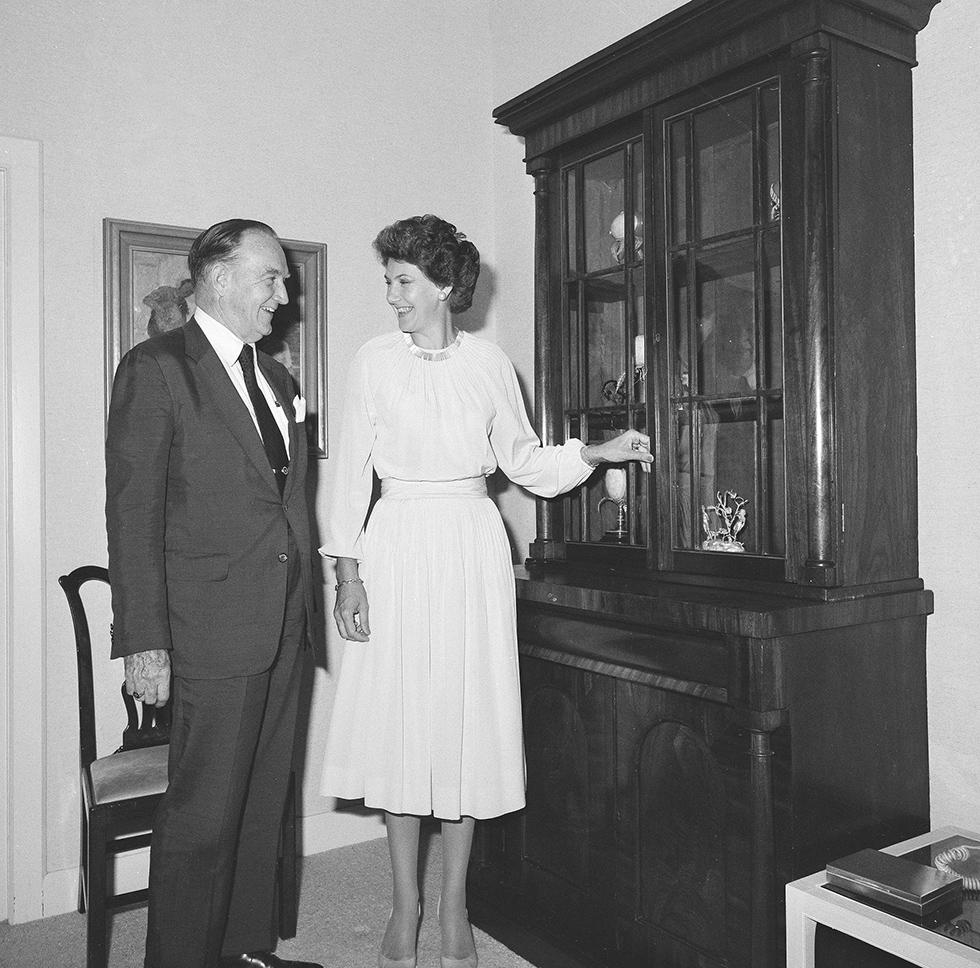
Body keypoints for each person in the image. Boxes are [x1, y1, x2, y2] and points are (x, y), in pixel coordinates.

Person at [319, 214, 653, 968]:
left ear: (444, 286)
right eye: (389, 282)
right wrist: (347, 574)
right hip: (395, 542)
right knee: (402, 727)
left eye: (403, 282)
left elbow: (526, 461)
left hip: (470, 548)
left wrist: (598, 452)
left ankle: (454, 905)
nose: (393, 297)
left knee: (460, 726)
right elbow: (346, 476)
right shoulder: (373, 361)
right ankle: (405, 904)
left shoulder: (490, 364)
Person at [105, 219, 322, 968]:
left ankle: (246, 953)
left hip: (282, 624)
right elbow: (132, 515)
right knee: (201, 819)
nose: (283, 295)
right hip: (207, 631)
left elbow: (286, 507)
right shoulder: (157, 368)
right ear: (220, 277)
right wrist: (142, 640)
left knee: (265, 805)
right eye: (271, 277)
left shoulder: (279, 379)